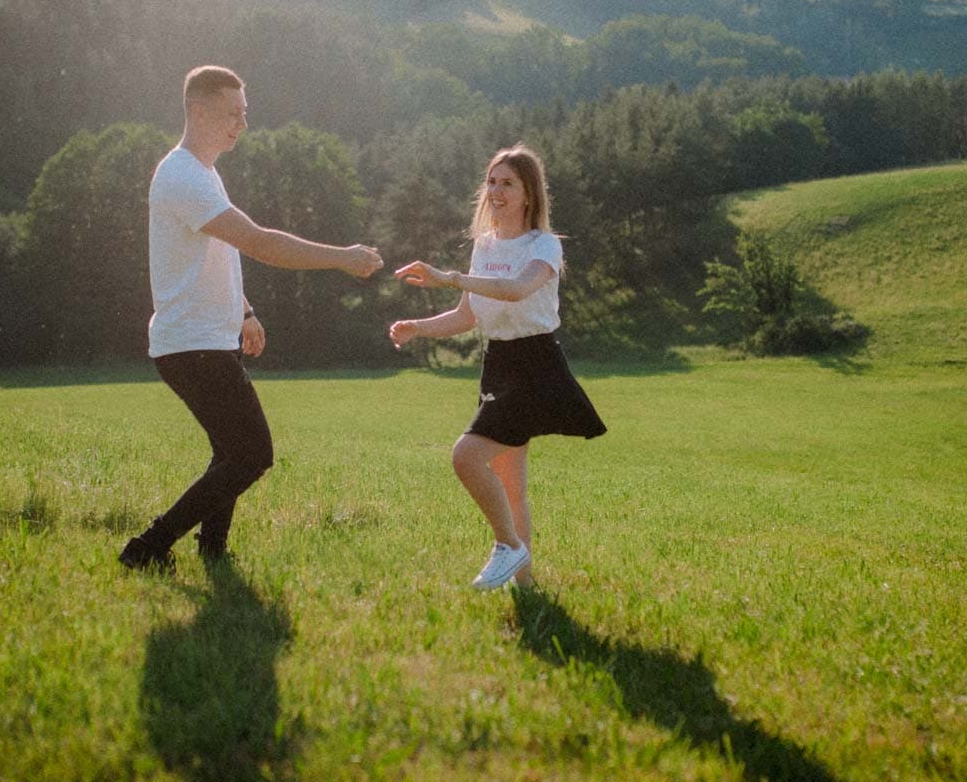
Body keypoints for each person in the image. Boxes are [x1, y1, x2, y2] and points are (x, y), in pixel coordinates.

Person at [119, 65, 384, 571]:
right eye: (233, 114)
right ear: (199, 112)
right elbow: (260, 243)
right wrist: (342, 257)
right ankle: (148, 547)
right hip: (192, 345)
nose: (242, 124)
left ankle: (212, 551)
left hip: (205, 340)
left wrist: (245, 311)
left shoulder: (203, 173)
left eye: (245, 113)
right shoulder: (182, 176)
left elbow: (213, 253)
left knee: (230, 452)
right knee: (251, 455)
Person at [388, 144, 606, 590]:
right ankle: (525, 586)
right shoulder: (484, 246)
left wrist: (449, 277)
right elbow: (466, 316)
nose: (496, 191)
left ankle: (508, 545)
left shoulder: (544, 246)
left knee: (465, 457)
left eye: (508, 183)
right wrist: (418, 328)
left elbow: (516, 289)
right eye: (491, 182)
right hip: (498, 365)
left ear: (529, 193)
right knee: (509, 485)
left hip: (536, 365)